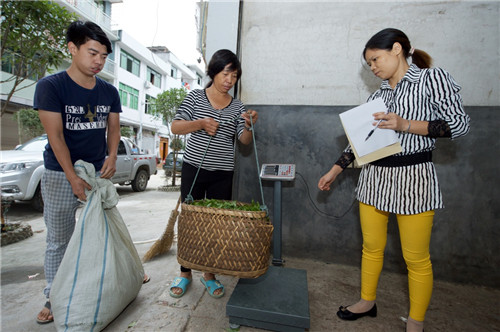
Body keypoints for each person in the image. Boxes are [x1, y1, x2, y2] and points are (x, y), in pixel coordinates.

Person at [318, 28, 470, 332]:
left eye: (375, 59)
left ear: (397, 49)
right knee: (371, 247)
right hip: (374, 177)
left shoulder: (431, 78)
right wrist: (335, 169)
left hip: (413, 177)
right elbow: (362, 140)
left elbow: (459, 124)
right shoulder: (379, 94)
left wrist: (405, 124)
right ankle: (367, 301)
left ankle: (416, 322)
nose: (373, 67)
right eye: (369, 64)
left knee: (415, 258)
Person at [34, 20, 149, 324]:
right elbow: (55, 137)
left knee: (108, 229)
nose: (99, 61)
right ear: (72, 49)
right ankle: (53, 296)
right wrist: (72, 177)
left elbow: (113, 126)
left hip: (99, 173)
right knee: (59, 239)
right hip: (60, 173)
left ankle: (126, 275)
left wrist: (112, 155)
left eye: (104, 56)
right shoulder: (51, 87)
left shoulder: (109, 91)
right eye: (93, 53)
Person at [169, 49, 258, 299]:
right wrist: (200, 123)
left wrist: (249, 125)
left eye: (235, 75)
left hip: (223, 173)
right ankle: (185, 272)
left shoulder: (238, 106)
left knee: (217, 223)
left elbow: (244, 141)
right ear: (213, 72)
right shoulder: (196, 98)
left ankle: (209, 274)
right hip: (194, 169)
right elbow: (175, 127)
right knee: (190, 221)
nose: (230, 80)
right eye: (226, 73)